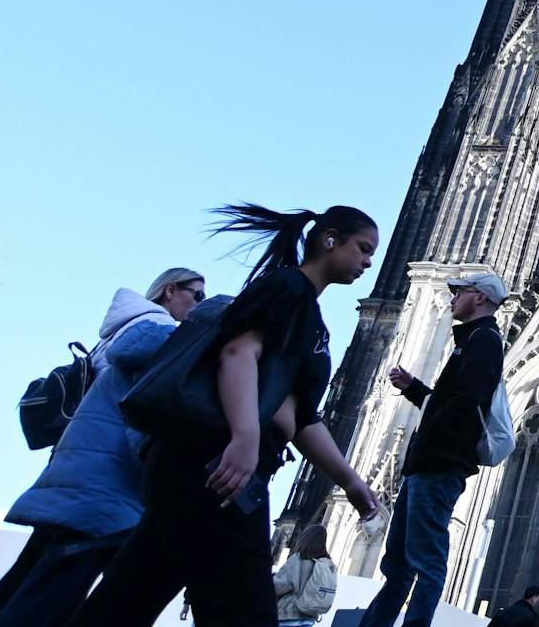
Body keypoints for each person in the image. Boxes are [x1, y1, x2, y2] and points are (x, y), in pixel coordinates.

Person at [67, 205, 382, 627]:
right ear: (329, 239)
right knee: (245, 612)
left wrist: (351, 482)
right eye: (362, 248)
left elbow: (300, 416)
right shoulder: (286, 287)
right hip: (217, 466)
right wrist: (244, 438)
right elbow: (238, 353)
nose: (368, 261)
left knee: (123, 604)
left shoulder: (308, 313)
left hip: (208, 465)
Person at [0, 267, 205, 627]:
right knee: (61, 583)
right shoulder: (151, 325)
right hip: (104, 465)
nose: (198, 306)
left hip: (79, 457)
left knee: (36, 573)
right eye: (197, 295)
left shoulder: (120, 326)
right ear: (169, 291)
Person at [359, 270, 510, 627]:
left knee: (426, 561)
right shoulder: (470, 340)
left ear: (480, 297)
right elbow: (451, 402)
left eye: (460, 291)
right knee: (397, 564)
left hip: (439, 466)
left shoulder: (484, 339)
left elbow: (467, 401)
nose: (453, 297)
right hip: (425, 465)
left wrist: (430, 438)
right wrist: (413, 388)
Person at [272, 524, 338, 626]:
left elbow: (279, 586)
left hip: (289, 615)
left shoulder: (298, 559)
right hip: (309, 618)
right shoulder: (328, 564)